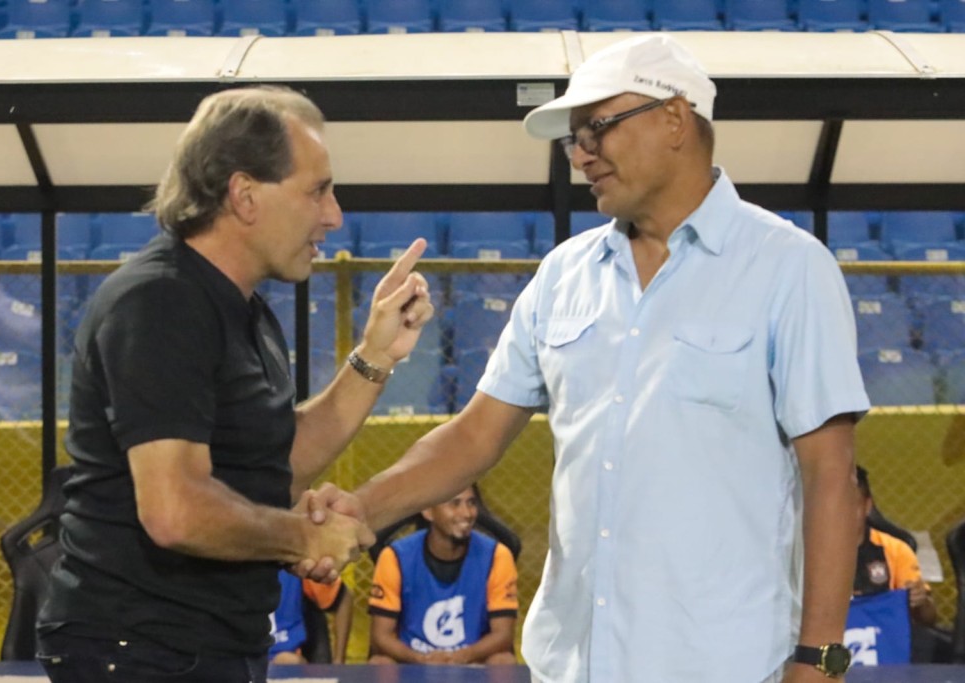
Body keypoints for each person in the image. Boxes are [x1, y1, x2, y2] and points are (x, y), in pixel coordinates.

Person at [311, 34, 871, 683]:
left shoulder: (789, 268)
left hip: (727, 666)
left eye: (597, 128)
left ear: (675, 118)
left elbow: (832, 476)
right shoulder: (562, 276)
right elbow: (473, 436)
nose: (581, 154)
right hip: (571, 665)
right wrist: (361, 510)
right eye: (573, 137)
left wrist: (821, 659)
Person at [35, 86, 434, 683]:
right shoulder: (159, 302)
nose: (334, 215)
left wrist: (376, 355)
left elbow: (271, 469)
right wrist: (300, 537)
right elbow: (175, 510)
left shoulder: (241, 308)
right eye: (317, 189)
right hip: (140, 650)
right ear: (244, 195)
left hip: (205, 647)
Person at [367, 485, 518, 665]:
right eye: (455, 504)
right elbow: (381, 636)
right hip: (413, 661)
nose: (467, 513)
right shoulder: (395, 556)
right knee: (380, 663)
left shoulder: (497, 555)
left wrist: (457, 657)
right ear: (428, 511)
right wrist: (421, 659)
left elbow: (503, 635)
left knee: (503, 661)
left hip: (472, 660)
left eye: (471, 503)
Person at [852, 466, 936, 626]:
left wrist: (920, 601)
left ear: (867, 506)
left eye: (851, 505)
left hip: (881, 641)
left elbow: (928, 619)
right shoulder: (806, 552)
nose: (843, 514)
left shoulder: (896, 550)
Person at [269, 573, 352, 665]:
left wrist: (338, 660)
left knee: (289, 660)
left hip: (286, 656)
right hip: (254, 656)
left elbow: (343, 596)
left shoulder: (295, 568)